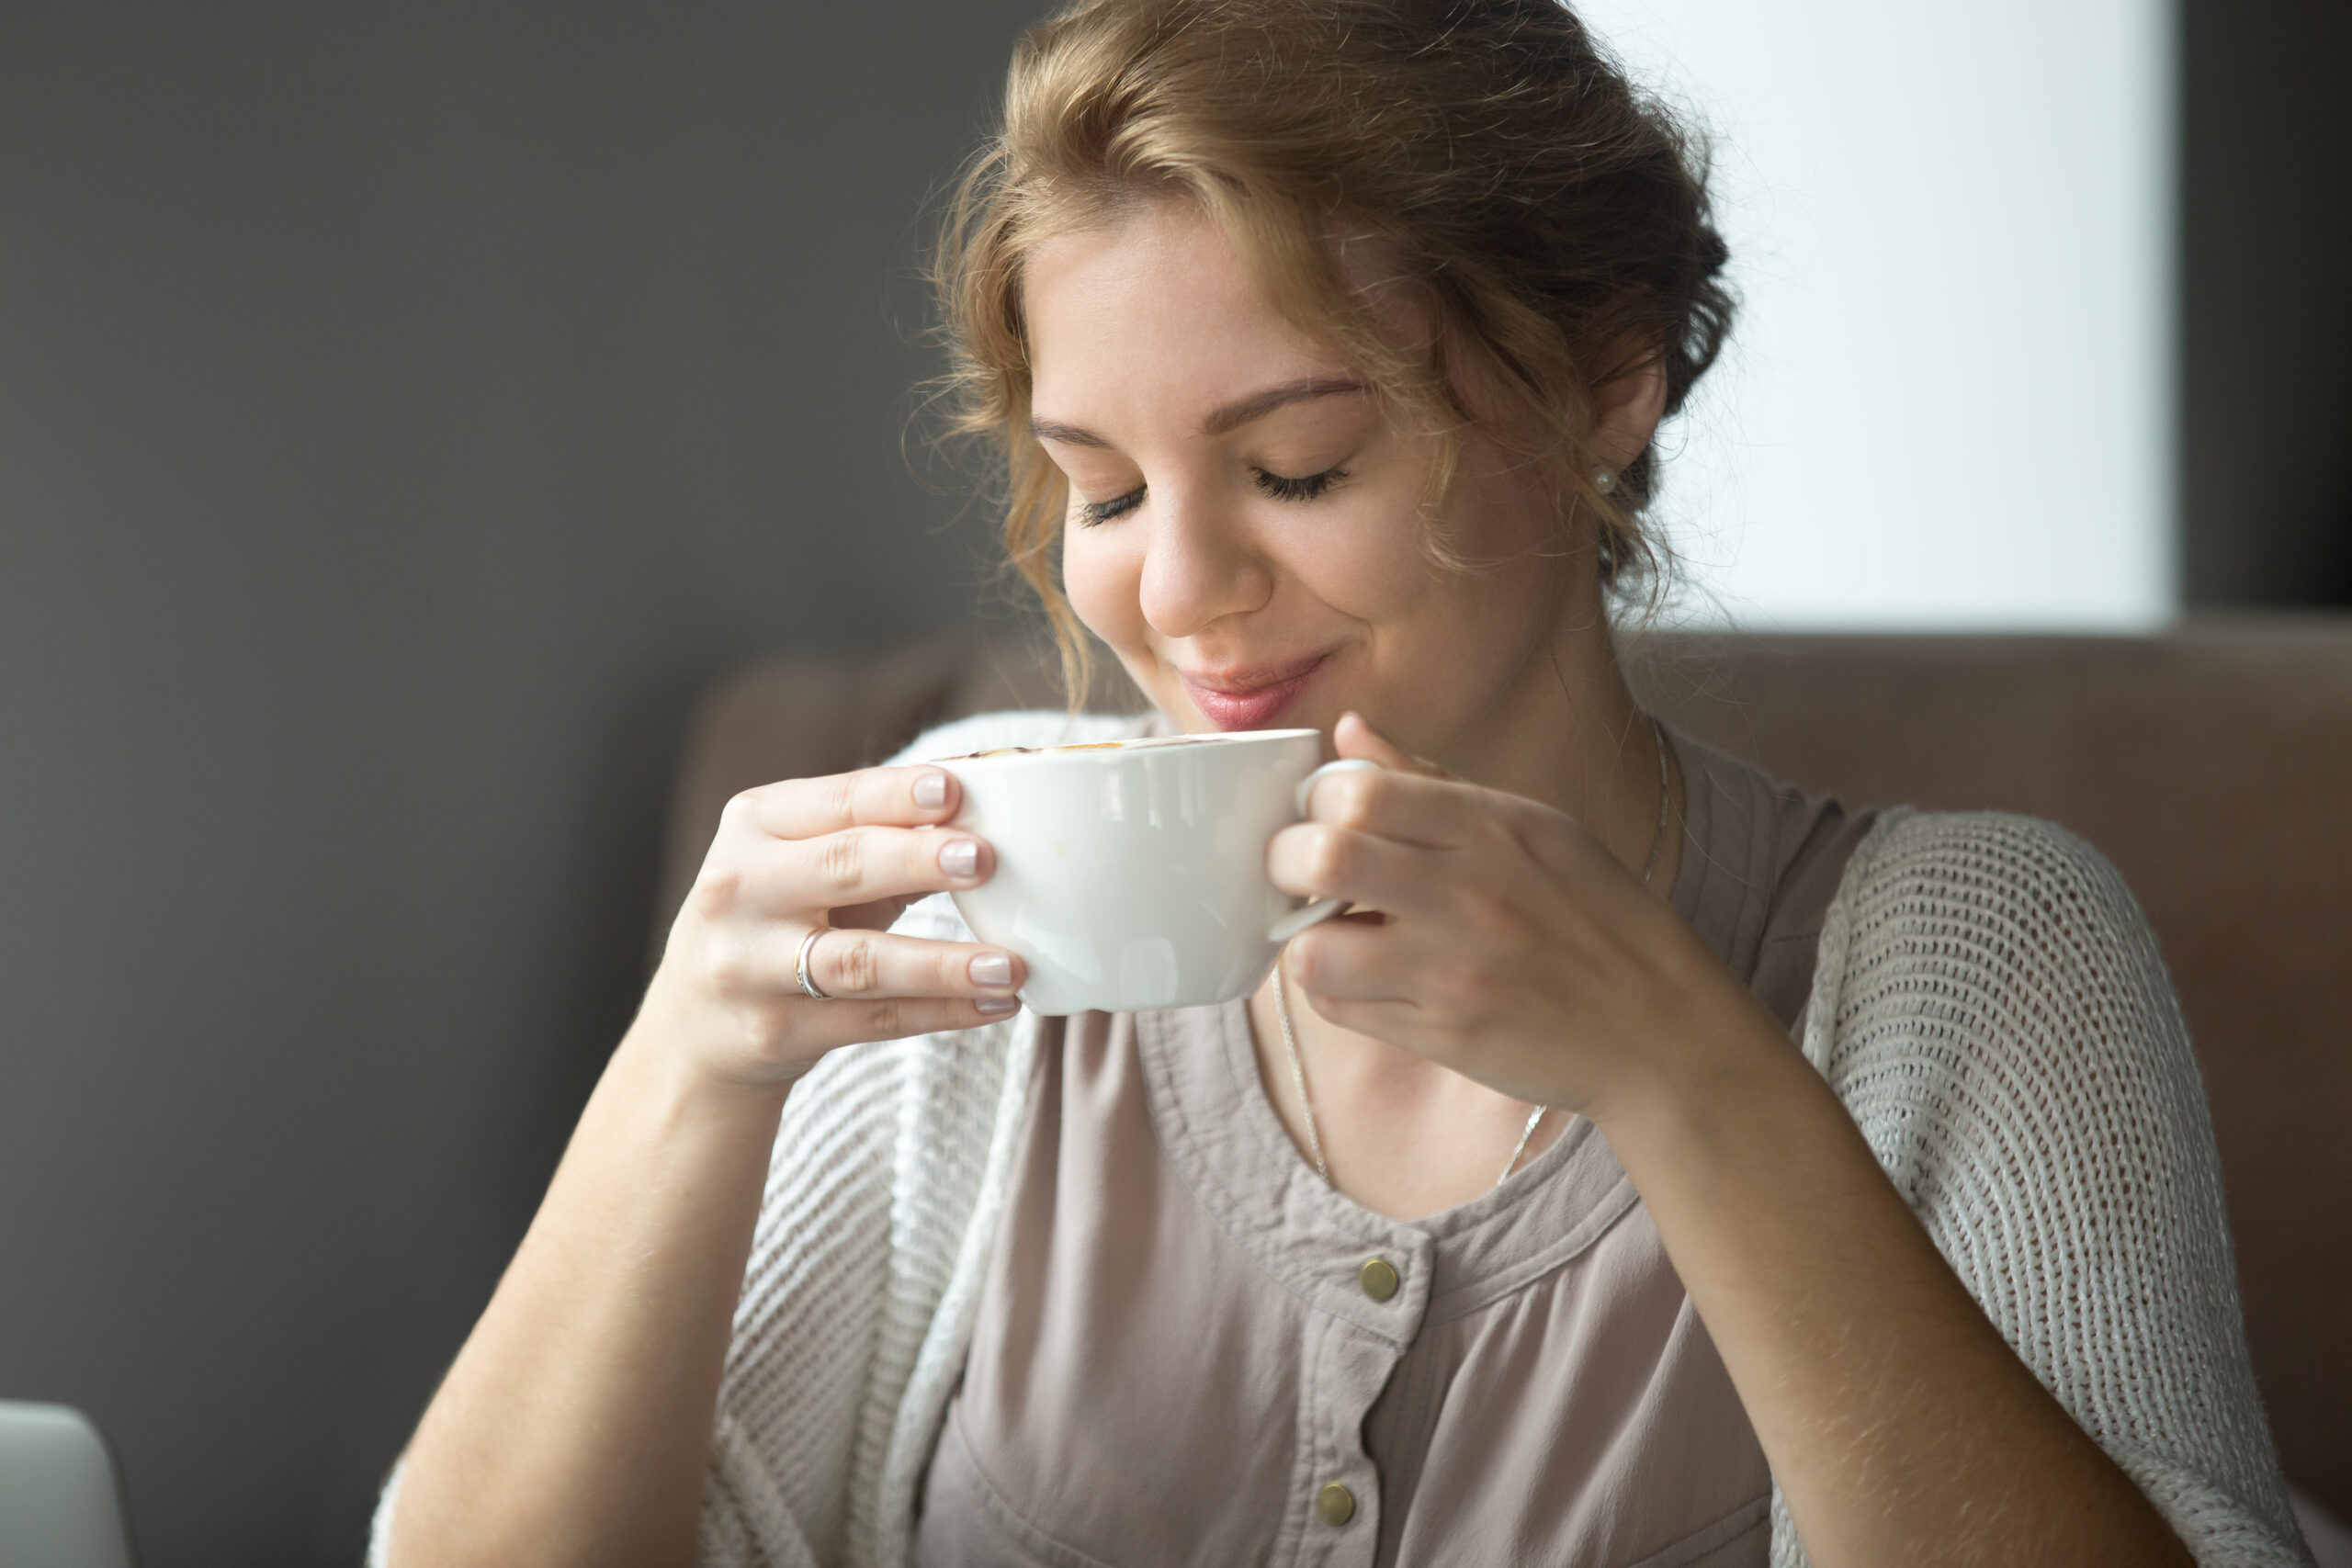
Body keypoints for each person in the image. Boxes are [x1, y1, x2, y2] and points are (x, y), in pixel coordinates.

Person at [371, 2, 2312, 1565]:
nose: (1177, 587)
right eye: (1103, 489)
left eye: (1295, 465)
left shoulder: (1971, 950)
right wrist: (686, 1073)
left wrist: (1679, 1067)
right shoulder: (960, 894)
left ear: (1606, 377)